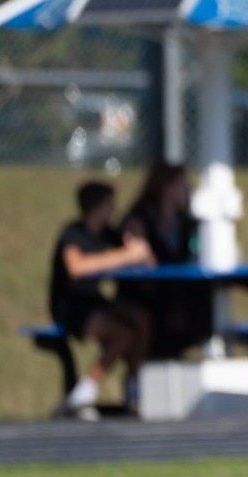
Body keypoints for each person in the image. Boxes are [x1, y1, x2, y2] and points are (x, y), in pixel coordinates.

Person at [52, 182, 154, 419]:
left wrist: (139, 243)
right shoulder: (73, 233)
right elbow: (76, 267)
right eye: (110, 203)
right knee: (123, 333)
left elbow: (144, 260)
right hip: (71, 306)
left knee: (142, 318)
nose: (114, 209)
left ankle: (134, 388)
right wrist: (122, 256)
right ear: (96, 207)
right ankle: (85, 391)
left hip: (96, 302)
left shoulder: (109, 234)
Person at [118, 161, 209, 359]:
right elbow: (140, 262)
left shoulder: (187, 223)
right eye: (182, 183)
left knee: (204, 301)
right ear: (165, 186)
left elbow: (194, 256)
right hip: (146, 294)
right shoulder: (140, 220)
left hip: (178, 291)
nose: (188, 188)